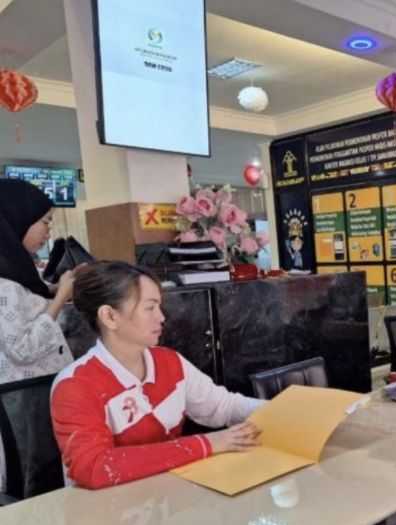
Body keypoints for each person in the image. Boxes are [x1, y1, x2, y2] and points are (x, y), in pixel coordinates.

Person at [50, 261, 265, 489]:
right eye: (150, 308)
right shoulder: (75, 385)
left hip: (165, 495)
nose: (161, 317)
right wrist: (207, 444)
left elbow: (223, 407)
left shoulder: (169, 361)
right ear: (110, 316)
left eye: (159, 307)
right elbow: (94, 467)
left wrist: (285, 407)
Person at [0, 180, 75, 384]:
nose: (48, 232)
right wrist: (60, 299)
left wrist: (56, 289)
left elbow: (25, 299)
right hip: (26, 398)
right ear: (19, 219)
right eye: (46, 221)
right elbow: (22, 351)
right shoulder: (4, 286)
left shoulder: (15, 273)